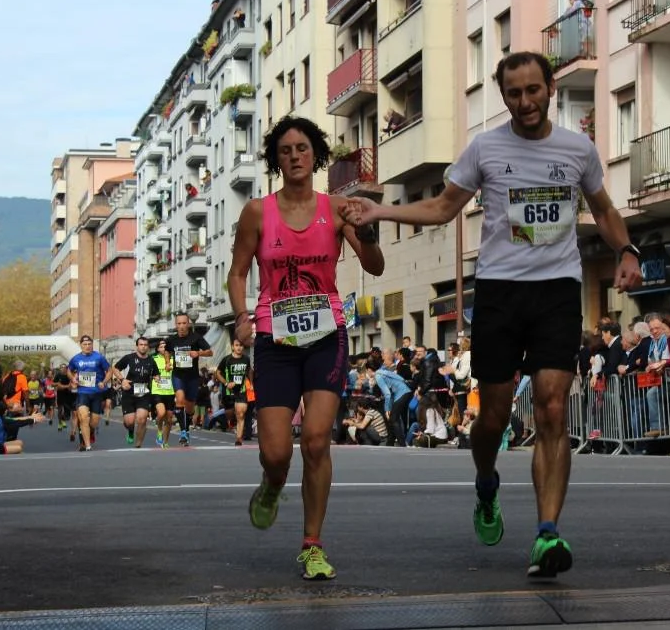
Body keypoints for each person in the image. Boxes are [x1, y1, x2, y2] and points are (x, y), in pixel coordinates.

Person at [342, 51, 642, 578]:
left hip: (557, 290)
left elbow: (604, 209)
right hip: (501, 292)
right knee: (494, 417)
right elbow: (442, 207)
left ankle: (547, 534)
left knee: (552, 409)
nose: (525, 101)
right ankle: (486, 480)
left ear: (550, 88)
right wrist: (382, 209)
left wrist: (627, 250)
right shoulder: (485, 148)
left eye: (533, 90)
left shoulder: (578, 149)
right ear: (503, 96)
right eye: (514, 93)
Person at [228, 115, 385, 581]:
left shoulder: (336, 208)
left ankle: (312, 545)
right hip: (274, 339)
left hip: (325, 335)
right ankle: (272, 484)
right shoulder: (257, 212)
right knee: (277, 453)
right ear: (276, 160)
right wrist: (241, 317)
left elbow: (374, 267)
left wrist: (367, 231)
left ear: (315, 155)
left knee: (317, 440)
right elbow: (238, 272)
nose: (295, 156)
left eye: (302, 149)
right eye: (285, 150)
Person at [166, 313, 212, 447]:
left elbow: (210, 352)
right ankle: (183, 432)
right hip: (178, 375)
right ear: (176, 325)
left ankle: (186, 426)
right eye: (179, 323)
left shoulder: (196, 338)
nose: (181, 326)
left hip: (192, 377)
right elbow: (167, 351)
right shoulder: (171, 340)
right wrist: (168, 362)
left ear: (189, 324)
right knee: (180, 399)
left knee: (190, 408)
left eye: (184, 323)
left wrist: (198, 353)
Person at [67, 335, 112, 451]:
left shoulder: (99, 357)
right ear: (81, 345)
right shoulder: (76, 359)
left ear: (92, 345)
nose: (87, 346)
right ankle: (87, 445)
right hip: (83, 392)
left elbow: (109, 370)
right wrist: (73, 379)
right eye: (85, 344)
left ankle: (90, 432)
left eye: (89, 344)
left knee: (94, 422)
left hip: (96, 393)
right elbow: (69, 370)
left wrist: (104, 382)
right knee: (83, 418)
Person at [110, 337, 157, 448]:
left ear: (148, 347)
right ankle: (130, 430)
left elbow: (156, 374)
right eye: (141, 344)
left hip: (143, 393)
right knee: (129, 422)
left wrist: (157, 378)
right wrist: (122, 380)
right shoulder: (129, 358)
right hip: (129, 393)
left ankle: (138, 444)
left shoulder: (151, 360)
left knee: (142, 419)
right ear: (137, 346)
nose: (143, 347)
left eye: (145, 345)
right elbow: (115, 368)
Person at [215, 338, 251, 445]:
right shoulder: (227, 359)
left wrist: (251, 383)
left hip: (241, 390)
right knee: (230, 413)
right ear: (232, 347)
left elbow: (249, 371)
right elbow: (217, 373)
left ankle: (239, 438)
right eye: (237, 345)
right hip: (228, 391)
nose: (239, 347)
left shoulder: (246, 359)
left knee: (241, 414)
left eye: (241, 345)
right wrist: (226, 383)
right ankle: (232, 421)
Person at [151, 340, 176, 448]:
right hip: (157, 390)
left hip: (170, 391)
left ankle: (165, 441)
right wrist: (153, 376)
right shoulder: (153, 359)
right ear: (157, 349)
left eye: (165, 347)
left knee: (169, 419)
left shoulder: (173, 359)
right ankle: (159, 431)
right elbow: (149, 371)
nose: (164, 349)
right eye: (161, 347)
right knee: (161, 413)